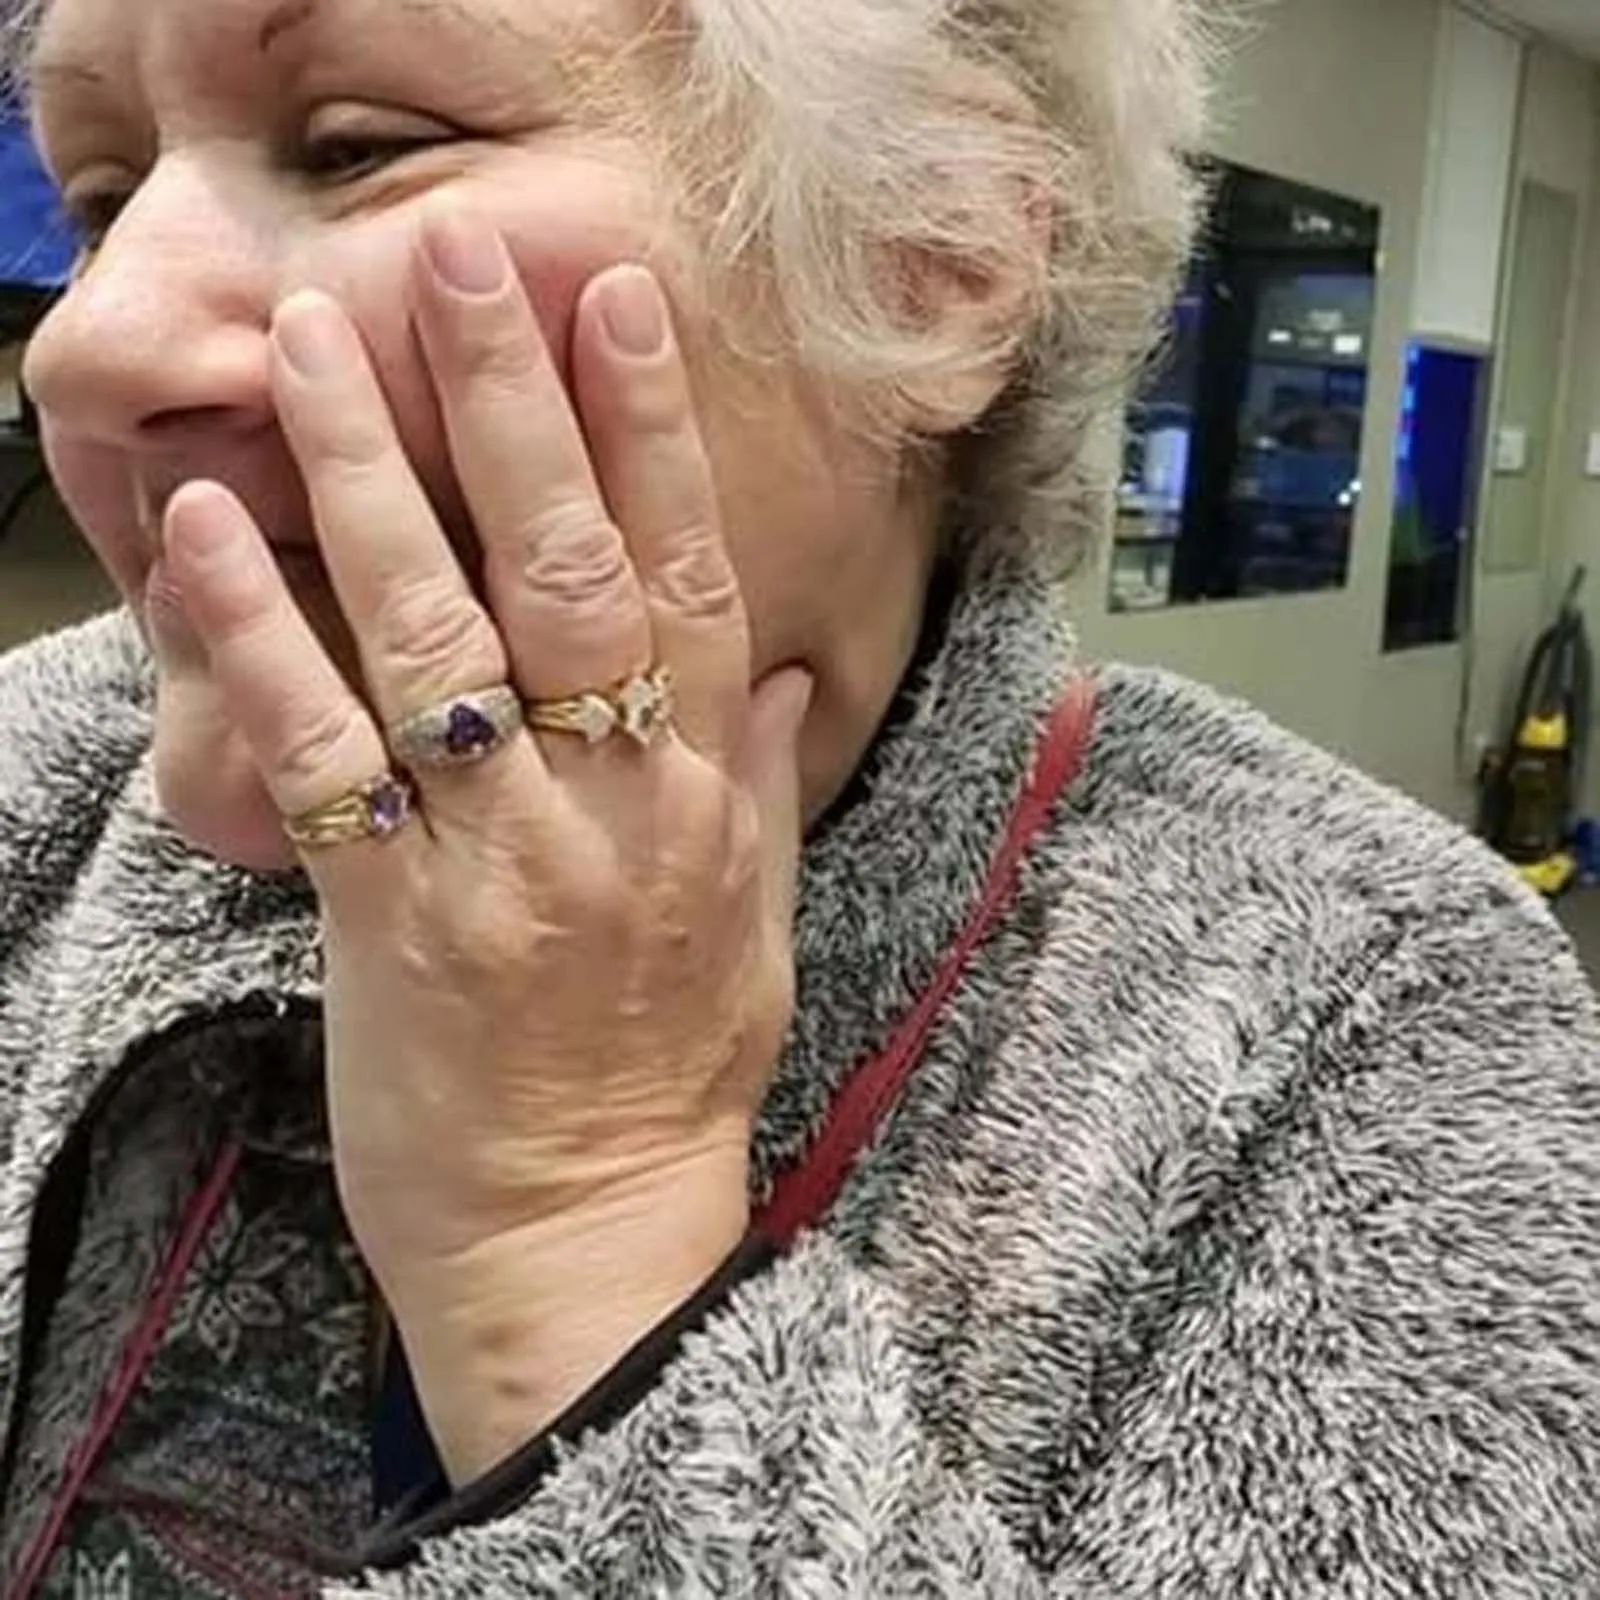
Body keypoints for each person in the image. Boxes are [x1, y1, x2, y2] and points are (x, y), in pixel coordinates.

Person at [1, 0, 1598, 1592]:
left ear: (937, 254)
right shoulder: (38, 769)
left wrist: (579, 1235)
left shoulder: (1377, 1026)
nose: (90, 341)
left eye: (359, 147)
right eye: (100, 200)